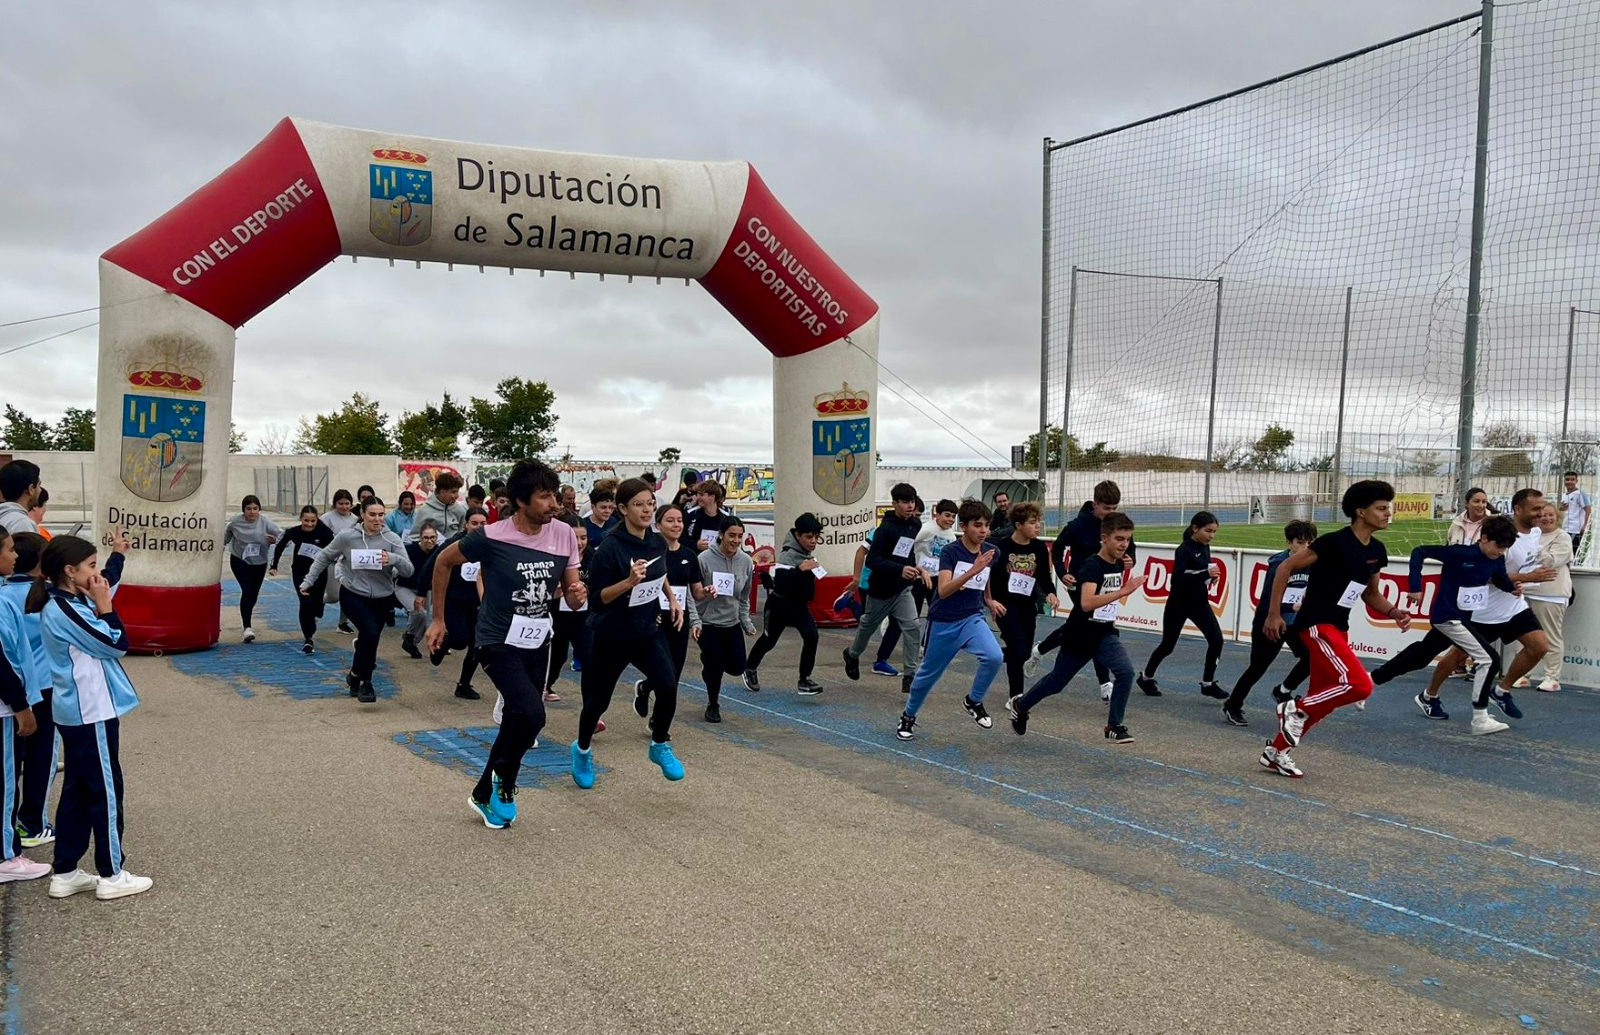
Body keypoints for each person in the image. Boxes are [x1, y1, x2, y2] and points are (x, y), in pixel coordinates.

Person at [425, 461, 583, 829]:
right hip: (496, 639)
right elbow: (443, 562)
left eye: (554, 495)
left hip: (537, 638)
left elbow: (573, 597)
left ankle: (483, 793)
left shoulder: (562, 534)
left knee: (515, 718)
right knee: (532, 715)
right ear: (519, 501)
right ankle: (505, 782)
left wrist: (577, 593)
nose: (553, 504)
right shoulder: (492, 536)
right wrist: (438, 618)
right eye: (544, 497)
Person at [28, 536, 152, 900]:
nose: (98, 574)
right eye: (91, 566)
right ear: (70, 571)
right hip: (89, 712)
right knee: (105, 791)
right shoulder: (64, 610)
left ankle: (65, 870)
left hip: (82, 711)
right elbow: (115, 642)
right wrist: (107, 608)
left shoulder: (72, 598)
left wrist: (118, 554)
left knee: (79, 790)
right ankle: (112, 873)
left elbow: (107, 580)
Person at [1259, 481, 1411, 779]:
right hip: (1316, 624)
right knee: (1360, 686)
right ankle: (1293, 708)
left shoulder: (1377, 551)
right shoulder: (1333, 543)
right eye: (1381, 508)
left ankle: (1276, 752)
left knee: (1324, 698)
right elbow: (1284, 568)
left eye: (1388, 508)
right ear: (1360, 512)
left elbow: (1370, 594)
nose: (1387, 513)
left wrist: (1393, 612)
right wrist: (1274, 614)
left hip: (1339, 628)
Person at [570, 478, 687, 789]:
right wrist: (628, 583)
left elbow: (659, 572)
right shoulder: (609, 548)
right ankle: (581, 750)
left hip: (646, 630)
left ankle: (659, 744)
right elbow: (596, 600)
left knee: (668, 685)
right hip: (611, 635)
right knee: (598, 702)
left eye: (650, 503)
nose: (647, 509)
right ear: (622, 509)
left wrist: (673, 600)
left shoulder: (657, 541)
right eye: (639, 504)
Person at [1368, 515, 1520, 733]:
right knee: (1490, 660)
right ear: (1484, 538)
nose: (1501, 551)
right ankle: (1480, 718)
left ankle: (1369, 682)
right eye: (1499, 546)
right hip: (1447, 616)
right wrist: (1414, 586)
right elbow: (1419, 551)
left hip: (1462, 617)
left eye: (1506, 548)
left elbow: (1501, 578)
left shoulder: (1496, 559)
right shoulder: (1460, 553)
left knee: (1421, 655)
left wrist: (1512, 588)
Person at [1008, 512, 1146, 744]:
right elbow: (1086, 602)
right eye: (1119, 539)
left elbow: (1105, 601)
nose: (1124, 545)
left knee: (1125, 672)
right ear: (1104, 538)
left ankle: (1114, 725)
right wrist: (1123, 591)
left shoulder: (1118, 564)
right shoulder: (1092, 565)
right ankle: (1020, 706)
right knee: (1056, 683)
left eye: (1128, 539)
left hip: (1105, 633)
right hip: (1080, 635)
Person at [894, 500, 1006, 741]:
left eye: (987, 525)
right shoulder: (950, 552)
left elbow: (984, 576)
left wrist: (988, 599)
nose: (983, 530)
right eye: (977, 525)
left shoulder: (991, 552)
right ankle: (909, 715)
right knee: (927, 676)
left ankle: (973, 701)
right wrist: (972, 570)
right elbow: (943, 590)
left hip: (971, 617)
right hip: (943, 621)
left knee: (994, 656)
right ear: (963, 526)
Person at [1030, 480, 1138, 702]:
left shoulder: (1117, 526)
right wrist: (1061, 572)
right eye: (1106, 508)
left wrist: (1130, 560)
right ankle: (1105, 682)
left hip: (1108, 581)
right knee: (1093, 625)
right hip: (1082, 582)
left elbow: (1131, 550)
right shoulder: (1078, 525)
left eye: (1114, 508)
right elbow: (1058, 547)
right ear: (1095, 504)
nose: (1111, 512)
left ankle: (1040, 649)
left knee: (1089, 626)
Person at [300, 497, 413, 703]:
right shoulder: (347, 537)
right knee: (369, 633)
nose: (377, 519)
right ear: (362, 514)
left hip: (382, 598)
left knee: (370, 639)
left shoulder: (392, 539)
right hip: (354, 594)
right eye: (372, 515)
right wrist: (308, 581)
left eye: (381, 515)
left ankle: (354, 675)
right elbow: (324, 557)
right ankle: (366, 683)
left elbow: (408, 569)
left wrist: (393, 559)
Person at [1464, 488, 1555, 718]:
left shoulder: (1535, 533)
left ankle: (1501, 691)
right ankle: (1429, 694)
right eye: (1535, 509)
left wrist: (1527, 579)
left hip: (1514, 605)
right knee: (1455, 656)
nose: (1540, 513)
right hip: (1486, 608)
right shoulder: (1502, 536)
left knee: (1540, 646)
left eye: (1542, 508)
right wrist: (1528, 578)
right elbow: (1487, 576)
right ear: (1517, 509)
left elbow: (1523, 566)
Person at [1221, 521, 1317, 726]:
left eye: (1310, 542)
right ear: (1289, 542)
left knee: (1312, 656)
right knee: (1258, 667)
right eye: (1300, 542)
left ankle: (1283, 691)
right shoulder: (1279, 565)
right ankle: (1233, 704)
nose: (1306, 547)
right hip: (1271, 621)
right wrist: (1292, 608)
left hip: (1294, 623)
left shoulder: (1313, 562)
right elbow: (1267, 601)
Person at [2, 532, 60, 848]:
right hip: (41, 689)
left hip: (15, 690)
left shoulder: (6, 593)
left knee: (13, 760)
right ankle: (32, 824)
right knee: (42, 757)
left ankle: (14, 825)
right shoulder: (43, 598)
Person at [843, 483, 923, 693]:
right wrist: (899, 569)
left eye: (912, 501)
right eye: (905, 502)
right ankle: (852, 655)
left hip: (902, 589)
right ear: (895, 503)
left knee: (913, 627)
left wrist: (914, 568)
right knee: (867, 626)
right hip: (880, 590)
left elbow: (907, 553)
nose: (909, 506)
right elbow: (872, 560)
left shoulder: (914, 524)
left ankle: (910, 675)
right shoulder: (885, 529)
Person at [1137, 511, 1226, 699]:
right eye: (1208, 531)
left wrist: (1211, 579)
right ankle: (1146, 677)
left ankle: (1208, 683)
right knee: (1168, 646)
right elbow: (1178, 578)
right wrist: (1204, 574)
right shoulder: (1184, 549)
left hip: (1199, 603)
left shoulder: (1204, 547)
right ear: (1195, 528)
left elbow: (1201, 572)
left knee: (1217, 639)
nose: (1211, 536)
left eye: (1214, 532)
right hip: (1179, 604)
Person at [633, 502, 705, 728]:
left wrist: (708, 593)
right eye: (670, 521)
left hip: (678, 620)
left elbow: (696, 592)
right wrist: (649, 610)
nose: (676, 525)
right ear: (657, 524)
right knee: (665, 673)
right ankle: (658, 723)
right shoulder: (651, 552)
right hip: (654, 622)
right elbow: (639, 586)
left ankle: (646, 691)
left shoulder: (689, 555)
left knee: (674, 675)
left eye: (680, 521)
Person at [743, 513, 824, 695]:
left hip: (799, 606)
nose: (813, 541)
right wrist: (800, 570)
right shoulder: (788, 555)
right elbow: (781, 582)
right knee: (769, 641)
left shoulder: (806, 553)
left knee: (812, 636)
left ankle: (804, 680)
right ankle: (750, 668)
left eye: (816, 537)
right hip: (779, 605)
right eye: (809, 537)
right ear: (798, 536)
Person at [990, 502, 1059, 707]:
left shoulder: (1038, 548)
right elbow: (991, 579)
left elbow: (1044, 577)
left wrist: (1051, 593)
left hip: (1027, 606)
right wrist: (992, 601)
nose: (1038, 526)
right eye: (1032, 522)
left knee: (1023, 651)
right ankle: (1016, 696)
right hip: (1005, 605)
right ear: (1018, 525)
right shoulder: (1002, 547)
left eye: (1038, 522)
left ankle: (993, 654)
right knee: (1017, 649)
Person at [419, 508, 489, 698]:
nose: (479, 527)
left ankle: (464, 684)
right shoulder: (453, 544)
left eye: (483, 524)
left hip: (477, 602)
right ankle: (440, 646)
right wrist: (421, 592)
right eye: (474, 523)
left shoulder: (490, 544)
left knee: (477, 646)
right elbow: (432, 566)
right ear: (466, 524)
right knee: (459, 640)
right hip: (454, 600)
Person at [696, 516, 756, 723]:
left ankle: (709, 664)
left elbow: (744, 595)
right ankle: (713, 705)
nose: (736, 540)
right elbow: (693, 593)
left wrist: (745, 621)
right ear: (721, 535)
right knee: (716, 664)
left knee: (738, 666)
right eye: (731, 535)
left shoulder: (746, 562)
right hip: (707, 622)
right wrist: (703, 597)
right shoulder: (704, 559)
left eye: (740, 536)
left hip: (731, 622)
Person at [1516, 502, 1573, 692]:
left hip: (1551, 594)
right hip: (1527, 591)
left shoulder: (1562, 537)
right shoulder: (1530, 535)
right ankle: (1522, 674)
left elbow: (1552, 561)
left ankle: (1552, 677)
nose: (1546, 518)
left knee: (1551, 636)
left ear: (1557, 517)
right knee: (1524, 636)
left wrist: (1533, 546)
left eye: (1550, 515)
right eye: (1542, 515)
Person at [269, 506, 335, 654]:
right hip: (300, 572)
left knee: (316, 605)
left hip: (319, 573)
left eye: (313, 521)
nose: (310, 524)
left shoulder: (324, 532)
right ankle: (308, 638)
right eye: (306, 520)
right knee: (305, 602)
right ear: (301, 519)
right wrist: (274, 565)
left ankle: (318, 610)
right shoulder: (294, 532)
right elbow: (279, 545)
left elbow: (335, 548)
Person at [223, 495, 281, 644]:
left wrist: (275, 540)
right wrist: (221, 545)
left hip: (259, 562)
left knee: (253, 594)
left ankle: (247, 614)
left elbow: (283, 537)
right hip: (239, 559)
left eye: (255, 508)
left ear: (259, 509)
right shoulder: (236, 521)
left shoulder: (265, 522)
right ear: (243, 510)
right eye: (248, 509)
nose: (252, 512)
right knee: (247, 591)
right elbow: (227, 534)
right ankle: (247, 627)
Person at [547, 523, 595, 702]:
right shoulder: (555, 556)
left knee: (589, 656)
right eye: (574, 538)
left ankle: (590, 705)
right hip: (557, 615)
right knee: (557, 656)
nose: (579, 542)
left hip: (583, 617)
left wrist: (586, 589)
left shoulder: (592, 557)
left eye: (583, 538)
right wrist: (559, 590)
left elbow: (599, 584)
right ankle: (546, 685)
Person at [395, 525, 440, 659]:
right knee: (419, 612)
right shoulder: (410, 550)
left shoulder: (439, 552)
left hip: (425, 590)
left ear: (436, 538)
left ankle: (411, 641)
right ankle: (410, 637)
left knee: (425, 620)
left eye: (432, 537)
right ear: (420, 538)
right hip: (405, 586)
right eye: (425, 537)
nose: (429, 541)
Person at [321, 490, 361, 633]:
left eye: (346, 504)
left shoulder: (355, 520)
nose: (344, 507)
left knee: (348, 593)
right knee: (333, 596)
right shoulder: (327, 518)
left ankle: (342, 622)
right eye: (340, 504)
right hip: (332, 561)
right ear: (335, 504)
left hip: (349, 562)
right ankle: (317, 603)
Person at [413, 472, 467, 541]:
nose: (457, 496)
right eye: (453, 492)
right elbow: (414, 537)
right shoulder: (424, 511)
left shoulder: (460, 511)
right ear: (442, 492)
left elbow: (462, 534)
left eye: (457, 492)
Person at [684, 480, 735, 551]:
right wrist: (695, 544)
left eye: (701, 495)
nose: (698, 497)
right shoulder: (690, 514)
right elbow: (680, 539)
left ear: (712, 497)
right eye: (697, 494)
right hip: (695, 558)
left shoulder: (725, 518)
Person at [0, 460, 42, 535]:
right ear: (31, 489)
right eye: (39, 485)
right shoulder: (21, 524)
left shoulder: (4, 516)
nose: (40, 490)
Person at [1559, 471, 1590, 554]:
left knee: (1572, 552)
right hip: (1566, 528)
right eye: (1567, 479)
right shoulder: (1565, 495)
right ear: (1564, 481)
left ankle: (1574, 566)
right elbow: (1564, 509)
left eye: (1572, 479)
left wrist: (1585, 526)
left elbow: (1588, 509)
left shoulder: (1580, 494)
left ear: (1576, 481)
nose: (1569, 481)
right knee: (1565, 552)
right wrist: (1561, 508)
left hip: (1576, 529)